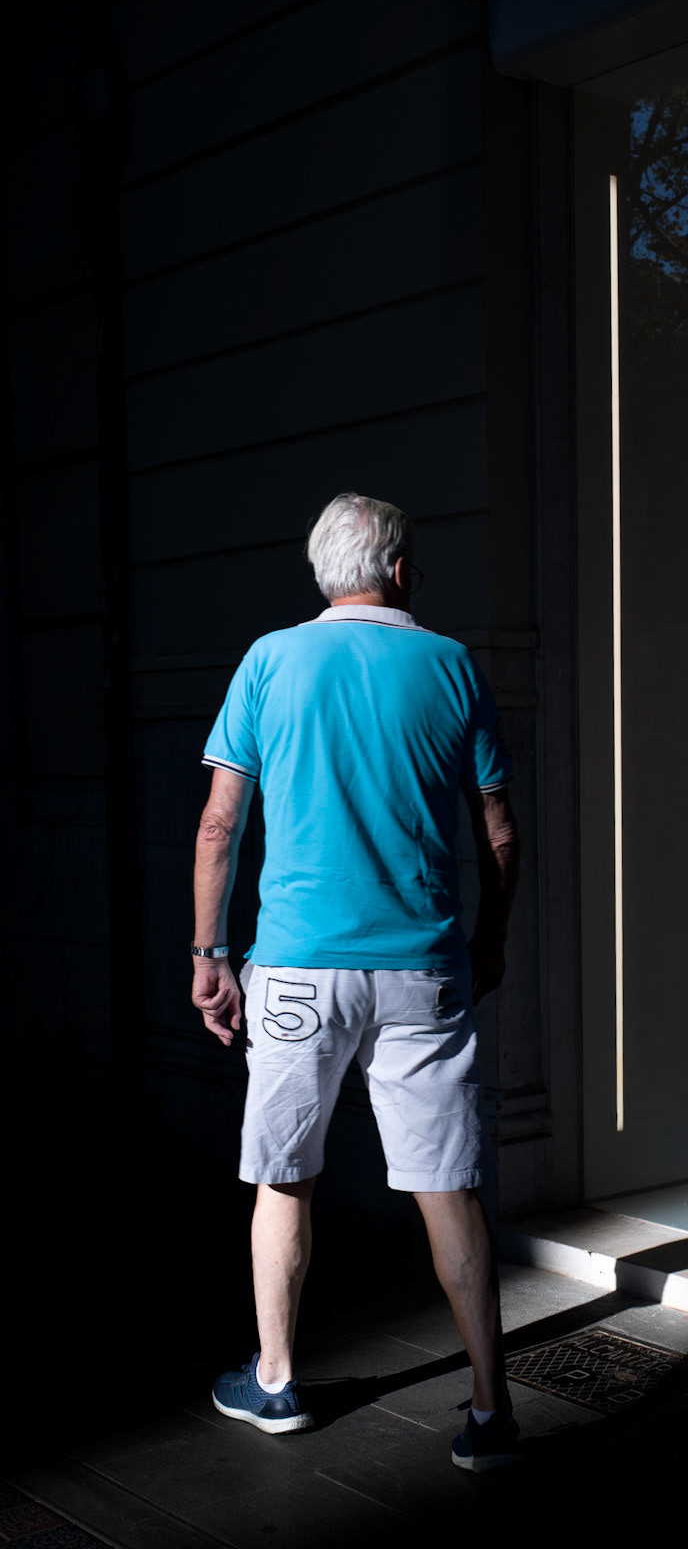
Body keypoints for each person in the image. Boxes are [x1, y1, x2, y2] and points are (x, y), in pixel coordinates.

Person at [190, 493, 522, 1472]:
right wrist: (489, 940)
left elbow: (219, 824)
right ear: (404, 572)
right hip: (424, 966)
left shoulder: (270, 659)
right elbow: (499, 832)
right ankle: (491, 1410)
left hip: (294, 966)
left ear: (323, 573)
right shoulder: (451, 663)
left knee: (284, 1175)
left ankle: (280, 1378)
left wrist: (210, 954)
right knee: (448, 1184)